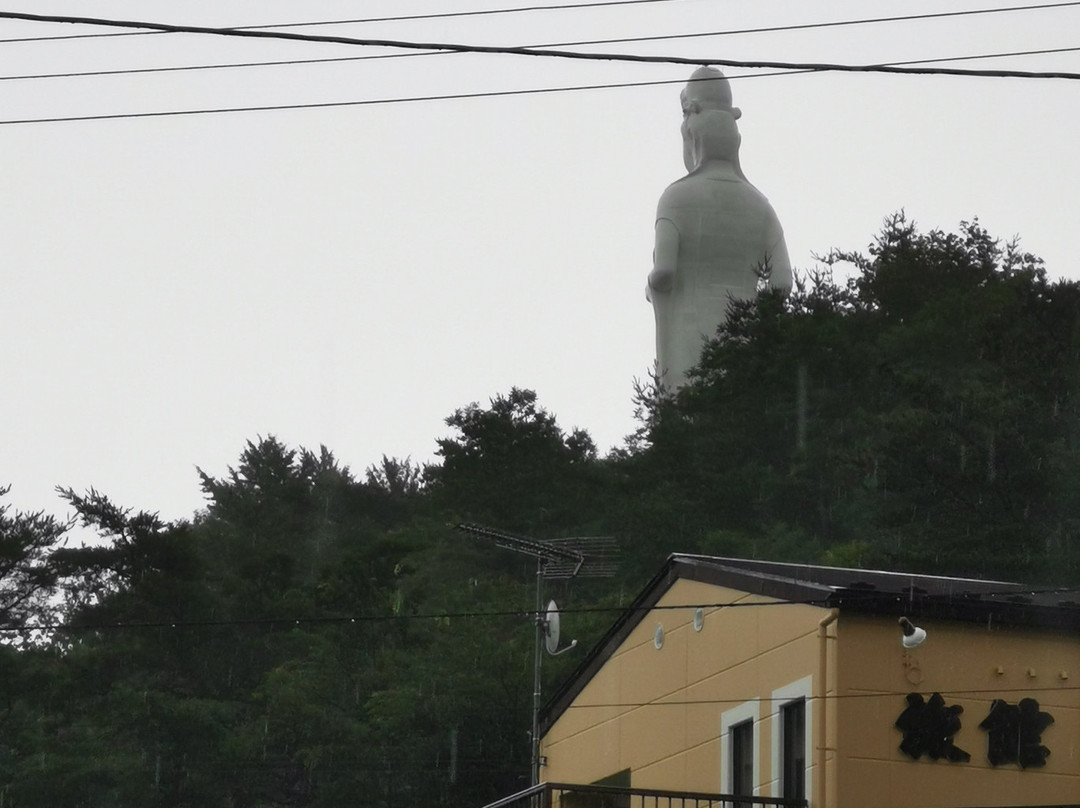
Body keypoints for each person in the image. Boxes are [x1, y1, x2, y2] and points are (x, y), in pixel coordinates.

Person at [647, 69, 791, 389]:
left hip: (689, 337)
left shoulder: (675, 199)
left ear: (691, 132)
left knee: (691, 414)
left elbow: (664, 273)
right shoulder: (761, 206)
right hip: (746, 338)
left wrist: (651, 285)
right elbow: (782, 284)